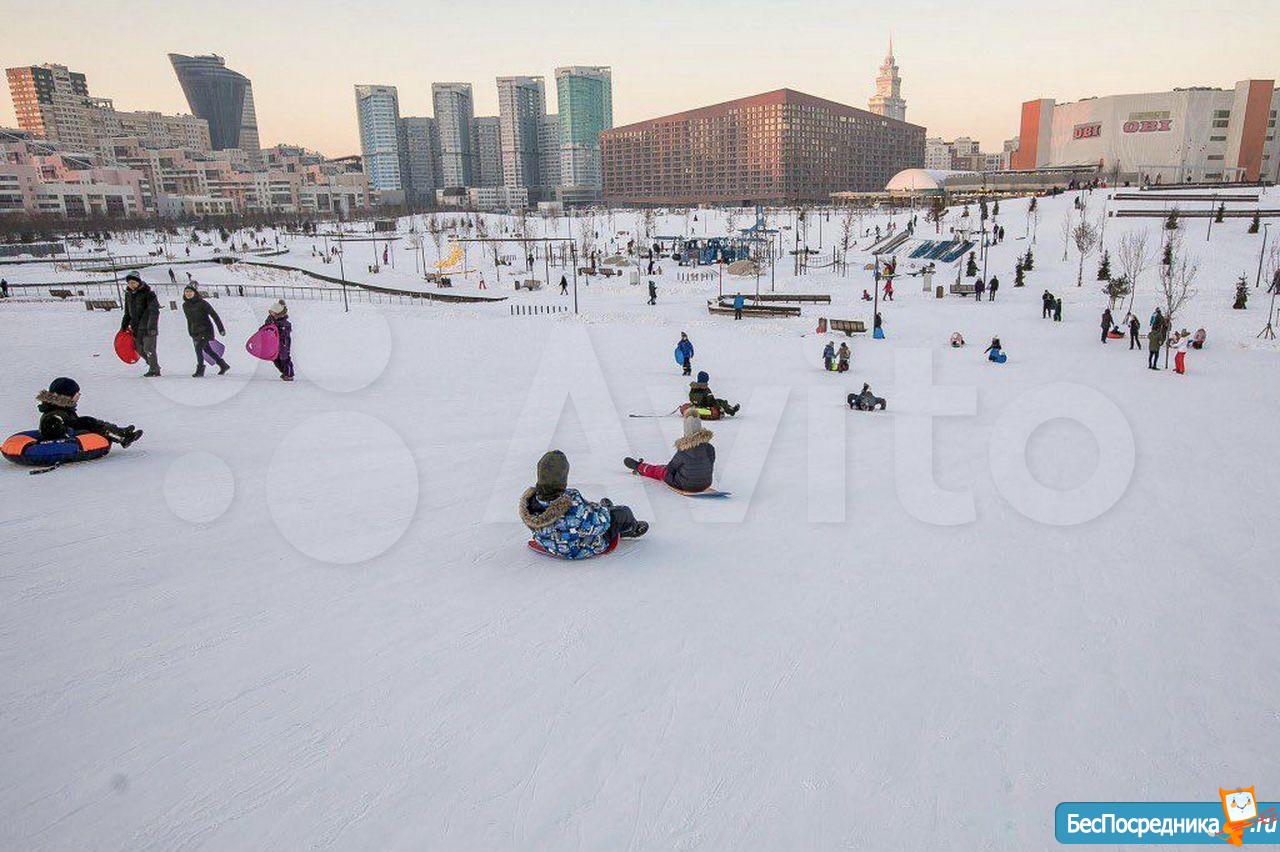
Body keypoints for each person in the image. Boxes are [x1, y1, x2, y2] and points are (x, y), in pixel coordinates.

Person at [520, 450, 648, 559]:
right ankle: (631, 528)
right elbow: (602, 525)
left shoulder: (529, 503)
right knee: (622, 512)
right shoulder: (572, 508)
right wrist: (605, 512)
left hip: (550, 544)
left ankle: (603, 509)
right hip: (580, 548)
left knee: (593, 511)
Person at [624, 411, 716, 493]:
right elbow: (710, 464)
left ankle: (639, 466)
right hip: (706, 483)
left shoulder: (683, 450)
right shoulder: (709, 448)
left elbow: (671, 468)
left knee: (661, 470)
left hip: (685, 485)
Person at [36, 377, 141, 447]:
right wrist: (73, 430)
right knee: (89, 423)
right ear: (67, 395)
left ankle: (119, 431)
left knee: (89, 421)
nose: (79, 395)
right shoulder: (54, 414)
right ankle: (122, 438)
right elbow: (53, 431)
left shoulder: (62, 409)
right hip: (68, 440)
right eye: (77, 393)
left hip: (72, 433)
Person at [182, 285, 229, 377]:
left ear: (194, 293)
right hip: (195, 331)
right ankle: (223, 365)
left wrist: (221, 329)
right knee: (207, 350)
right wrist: (190, 332)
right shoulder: (185, 305)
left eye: (190, 292)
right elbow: (189, 320)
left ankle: (200, 369)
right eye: (186, 292)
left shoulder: (202, 303)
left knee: (198, 348)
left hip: (205, 330)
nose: (188, 293)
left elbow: (214, 315)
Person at [120, 272, 161, 377]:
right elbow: (127, 312)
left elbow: (154, 311)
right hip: (136, 327)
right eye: (129, 283)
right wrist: (124, 325)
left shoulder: (149, 294)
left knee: (148, 348)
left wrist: (151, 326)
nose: (131, 285)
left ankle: (154, 370)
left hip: (148, 326)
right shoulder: (128, 294)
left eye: (133, 282)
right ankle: (153, 364)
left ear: (138, 282)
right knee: (139, 348)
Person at [265, 300, 294, 381]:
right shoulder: (270, 319)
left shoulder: (285, 323)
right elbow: (265, 327)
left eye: (273, 313)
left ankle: (289, 374)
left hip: (283, 343)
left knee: (284, 358)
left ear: (279, 314)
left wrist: (277, 331)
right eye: (270, 312)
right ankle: (284, 371)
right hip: (273, 342)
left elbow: (284, 334)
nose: (271, 314)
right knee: (274, 358)